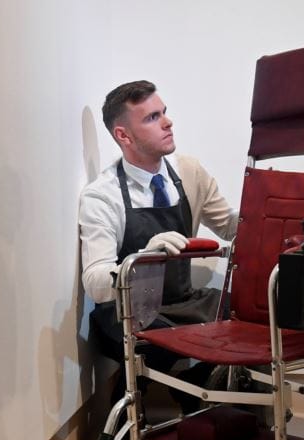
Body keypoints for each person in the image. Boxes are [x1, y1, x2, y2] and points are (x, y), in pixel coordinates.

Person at [79, 80, 239, 412]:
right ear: (124, 136)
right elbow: (94, 282)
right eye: (152, 118)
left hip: (182, 301)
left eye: (164, 113)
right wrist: (143, 258)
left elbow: (229, 225)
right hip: (130, 312)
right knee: (168, 339)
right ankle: (184, 393)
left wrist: (269, 210)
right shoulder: (102, 195)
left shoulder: (189, 172)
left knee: (245, 312)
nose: (168, 122)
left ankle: (198, 390)